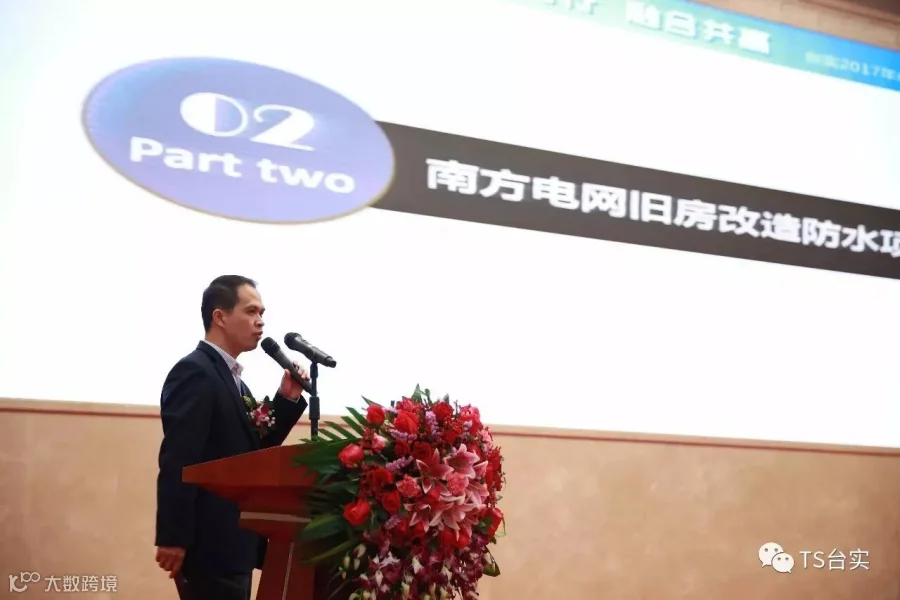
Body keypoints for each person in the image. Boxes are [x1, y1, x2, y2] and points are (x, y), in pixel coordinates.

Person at [154, 275, 310, 600]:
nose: (260, 321)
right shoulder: (196, 372)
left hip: (234, 543)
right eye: (251, 311)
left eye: (262, 313)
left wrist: (287, 398)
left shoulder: (233, 379)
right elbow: (179, 457)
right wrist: (173, 537)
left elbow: (251, 453)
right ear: (220, 317)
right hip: (208, 544)